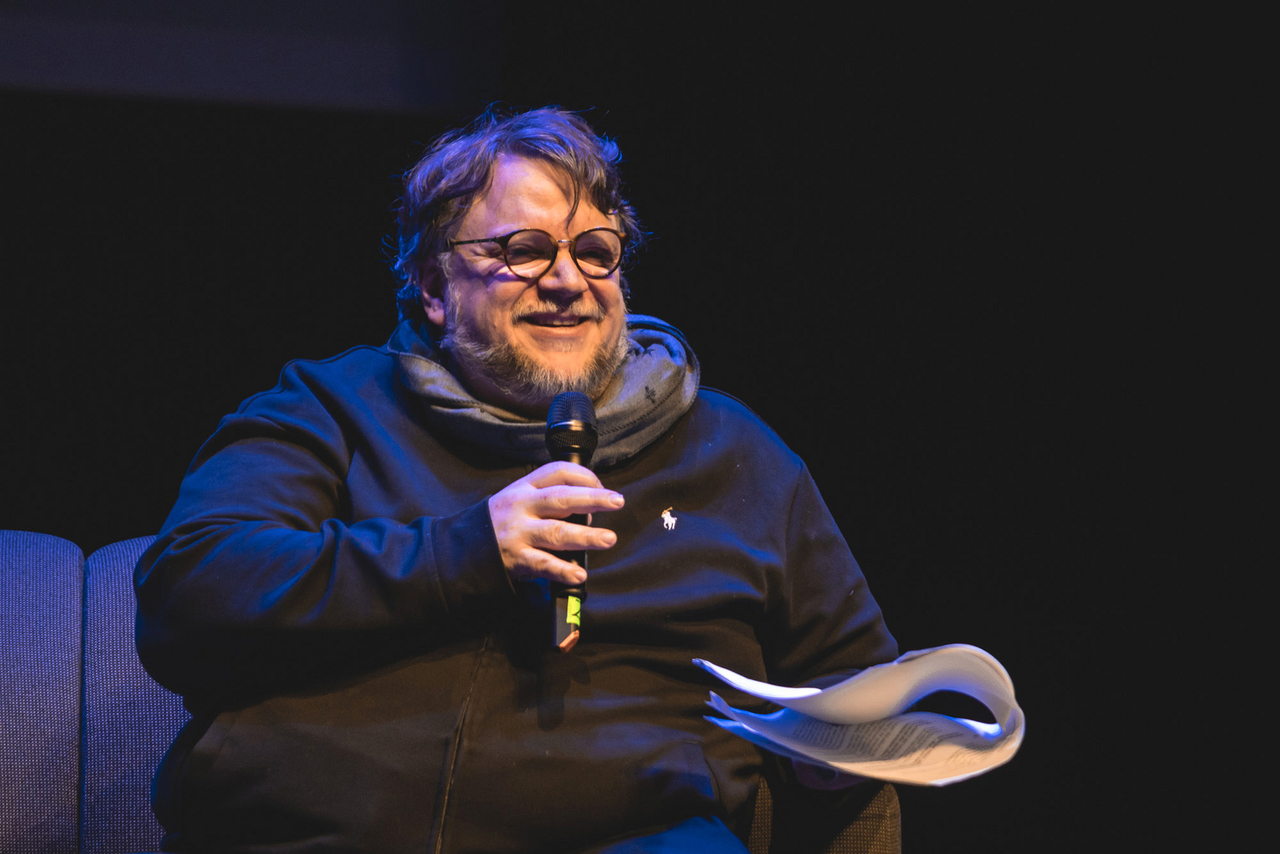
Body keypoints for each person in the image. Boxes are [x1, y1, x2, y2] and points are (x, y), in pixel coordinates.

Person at [134, 107, 898, 853]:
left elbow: (859, 687)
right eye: (525, 250)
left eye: (596, 251)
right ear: (434, 287)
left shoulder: (735, 454)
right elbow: (188, 593)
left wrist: (845, 752)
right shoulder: (332, 408)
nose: (568, 281)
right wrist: (465, 553)